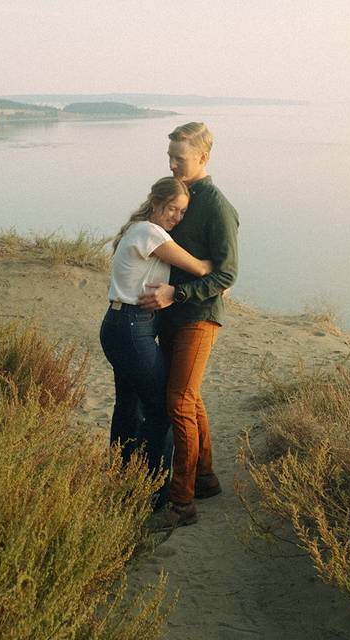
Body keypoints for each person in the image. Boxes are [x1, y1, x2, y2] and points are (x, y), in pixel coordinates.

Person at [138, 122, 239, 529]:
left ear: (203, 157)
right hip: (171, 317)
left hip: (197, 317)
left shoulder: (216, 206)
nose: (172, 164)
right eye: (169, 157)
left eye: (179, 158)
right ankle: (206, 480)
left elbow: (227, 274)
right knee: (190, 399)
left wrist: (175, 295)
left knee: (178, 401)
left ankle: (182, 503)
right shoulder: (180, 198)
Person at [100, 177, 212, 508]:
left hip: (121, 325)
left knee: (128, 406)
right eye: (172, 209)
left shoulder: (139, 230)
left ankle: (121, 481)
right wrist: (221, 274)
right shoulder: (150, 233)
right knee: (162, 406)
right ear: (156, 202)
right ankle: (153, 494)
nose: (176, 217)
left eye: (182, 212)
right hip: (132, 327)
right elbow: (198, 267)